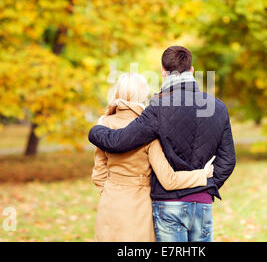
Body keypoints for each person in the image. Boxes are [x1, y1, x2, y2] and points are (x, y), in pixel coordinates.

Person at [89, 46, 236, 242]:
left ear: (163, 72)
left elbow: (119, 141)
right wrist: (207, 185)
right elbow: (228, 160)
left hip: (168, 204)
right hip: (202, 203)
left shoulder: (157, 108)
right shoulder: (217, 107)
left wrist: (96, 130)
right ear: (191, 70)